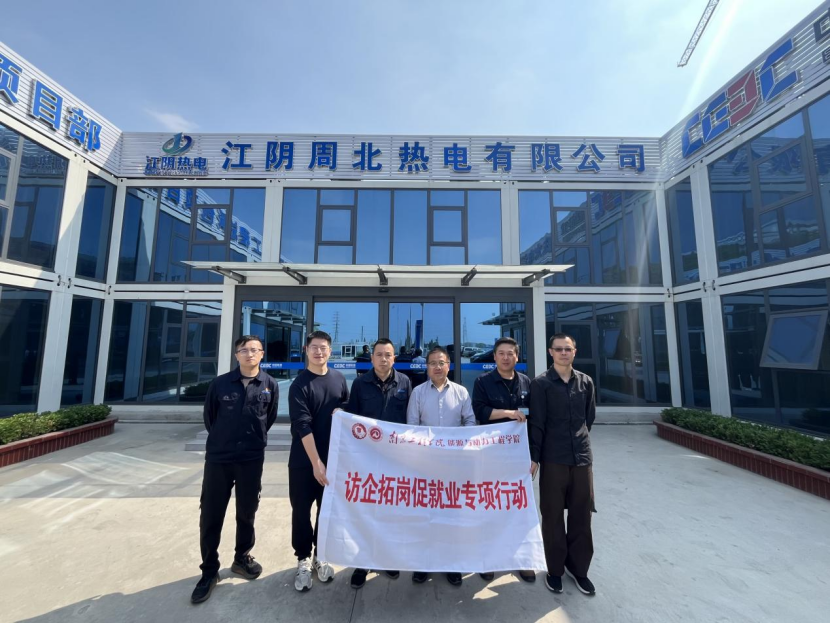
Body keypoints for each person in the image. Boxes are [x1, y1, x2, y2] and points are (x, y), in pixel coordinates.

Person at [191, 335, 278, 604]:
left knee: (247, 511)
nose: (249, 354)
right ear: (236, 355)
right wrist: (224, 440)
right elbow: (210, 418)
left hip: (251, 458)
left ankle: (242, 558)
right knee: (211, 514)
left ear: (262, 354)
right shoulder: (220, 384)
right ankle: (209, 571)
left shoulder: (269, 384)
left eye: (254, 350)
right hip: (219, 458)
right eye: (244, 350)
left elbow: (269, 418)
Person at [529, 333, 596, 596]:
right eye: (558, 349)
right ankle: (555, 570)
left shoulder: (586, 382)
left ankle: (579, 569)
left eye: (568, 349)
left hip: (581, 458)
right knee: (553, 515)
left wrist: (579, 442)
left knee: (582, 514)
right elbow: (537, 423)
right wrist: (534, 457)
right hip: (553, 457)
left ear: (575, 351)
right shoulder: (541, 384)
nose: (563, 353)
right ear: (551, 352)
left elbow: (589, 417)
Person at [343, 338, 413, 589]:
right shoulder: (360, 384)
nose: (384, 359)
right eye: (379, 355)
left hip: (395, 457)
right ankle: (362, 562)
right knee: (366, 510)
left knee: (391, 509)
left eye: (388, 355)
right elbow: (352, 419)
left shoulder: (404, 382)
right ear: (371, 358)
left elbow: (409, 419)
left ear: (395, 358)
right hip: (367, 458)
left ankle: (386, 557)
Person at [406, 345, 476, 587]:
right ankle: (423, 564)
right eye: (433, 363)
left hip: (454, 464)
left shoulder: (461, 392)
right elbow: (412, 426)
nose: (437, 367)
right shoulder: (418, 392)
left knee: (451, 514)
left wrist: (456, 443)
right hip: (426, 463)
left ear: (449, 366)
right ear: (427, 367)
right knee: (425, 514)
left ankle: (451, 563)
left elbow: (469, 421)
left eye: (442, 362)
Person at [471, 337, 536, 584]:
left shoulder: (527, 382)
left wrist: (535, 457)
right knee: (490, 505)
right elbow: (480, 411)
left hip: (519, 455)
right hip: (492, 453)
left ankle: (521, 559)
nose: (506, 357)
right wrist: (509, 413)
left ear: (517, 356)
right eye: (501, 353)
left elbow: (535, 419)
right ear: (495, 356)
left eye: (511, 353)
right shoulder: (483, 382)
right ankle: (489, 559)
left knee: (519, 507)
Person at [289, 331, 350, 592]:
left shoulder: (338, 379)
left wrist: (343, 411)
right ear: (306, 350)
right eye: (314, 347)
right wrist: (316, 462)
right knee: (301, 512)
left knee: (327, 512)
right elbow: (302, 425)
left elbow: (347, 409)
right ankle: (303, 559)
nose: (319, 352)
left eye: (323, 347)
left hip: (333, 460)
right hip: (304, 462)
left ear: (330, 351)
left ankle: (320, 555)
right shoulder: (299, 385)